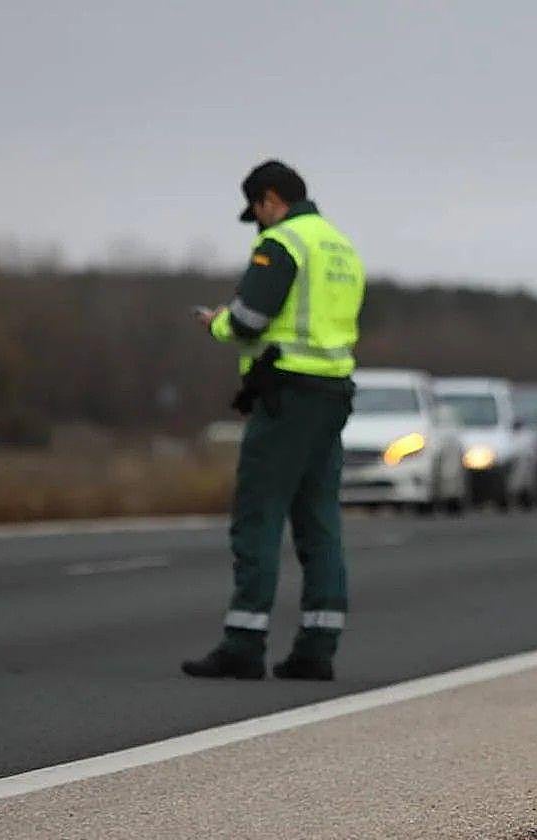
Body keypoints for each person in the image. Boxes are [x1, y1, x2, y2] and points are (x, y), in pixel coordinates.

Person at [182, 160, 365, 682]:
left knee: (258, 517)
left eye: (256, 212)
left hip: (287, 395)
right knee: (319, 520)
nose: (258, 223)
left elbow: (248, 322)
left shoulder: (283, 243)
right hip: (333, 395)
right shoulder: (340, 247)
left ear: (269, 199)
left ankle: (244, 643)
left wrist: (216, 322)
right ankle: (317, 647)